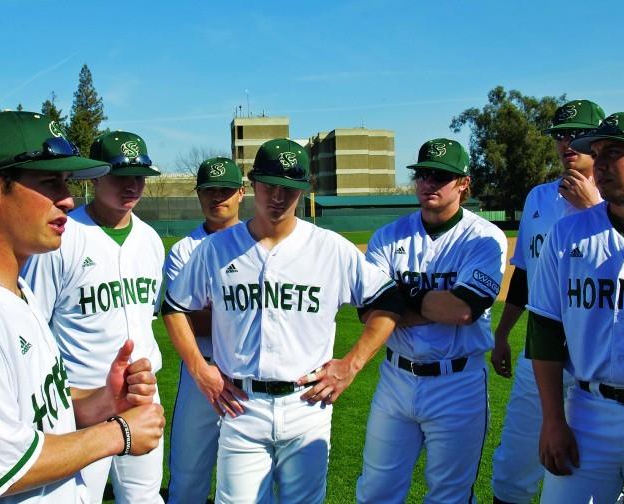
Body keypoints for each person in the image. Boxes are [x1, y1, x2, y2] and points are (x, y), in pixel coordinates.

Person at [0, 111, 165, 503]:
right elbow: (0, 468)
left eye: (67, 182)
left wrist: (105, 402)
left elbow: (40, 411)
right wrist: (117, 433)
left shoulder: (16, 290)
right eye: (50, 182)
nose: (68, 199)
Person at [162, 138, 404, 504]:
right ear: (253, 183)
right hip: (241, 406)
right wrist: (199, 369)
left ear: (305, 189)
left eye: (289, 188)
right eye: (269, 184)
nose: (277, 196)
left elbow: (388, 302)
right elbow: (174, 306)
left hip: (306, 404)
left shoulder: (330, 248)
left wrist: (351, 365)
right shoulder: (215, 248)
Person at [357, 138, 507, 503]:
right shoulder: (388, 236)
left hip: (457, 383)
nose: (428, 183)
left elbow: (463, 311)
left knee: (449, 496)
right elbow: (370, 312)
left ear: (463, 183)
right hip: (396, 380)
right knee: (375, 491)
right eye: (423, 174)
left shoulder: (484, 237)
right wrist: (432, 303)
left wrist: (398, 296)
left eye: (440, 176)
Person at [21, 130, 165, 503]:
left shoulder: (150, 239)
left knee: (145, 497)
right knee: (75, 497)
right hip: (79, 400)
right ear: (95, 176)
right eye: (120, 175)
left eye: (139, 176)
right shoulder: (61, 238)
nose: (132, 185)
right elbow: (33, 324)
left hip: (143, 394)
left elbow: (147, 314)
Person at [527, 112, 624, 502]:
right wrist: (552, 419)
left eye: (614, 152)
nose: (601, 164)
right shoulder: (566, 233)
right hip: (587, 411)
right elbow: (545, 327)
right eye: (596, 153)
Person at [491, 99, 605, 504]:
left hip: (599, 357)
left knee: (590, 472)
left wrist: (595, 209)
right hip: (539, 352)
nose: (567, 143)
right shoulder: (539, 198)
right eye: (560, 135)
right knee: (513, 468)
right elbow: (524, 274)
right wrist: (502, 333)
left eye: (576, 134)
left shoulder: (623, 200)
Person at [164, 156, 246, 503]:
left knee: (246, 477)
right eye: (209, 190)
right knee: (188, 474)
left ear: (241, 193)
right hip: (201, 366)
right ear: (198, 195)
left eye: (225, 189)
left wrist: (214, 307)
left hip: (249, 372)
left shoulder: (259, 242)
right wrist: (246, 311)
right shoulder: (184, 250)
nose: (217, 197)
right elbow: (185, 317)